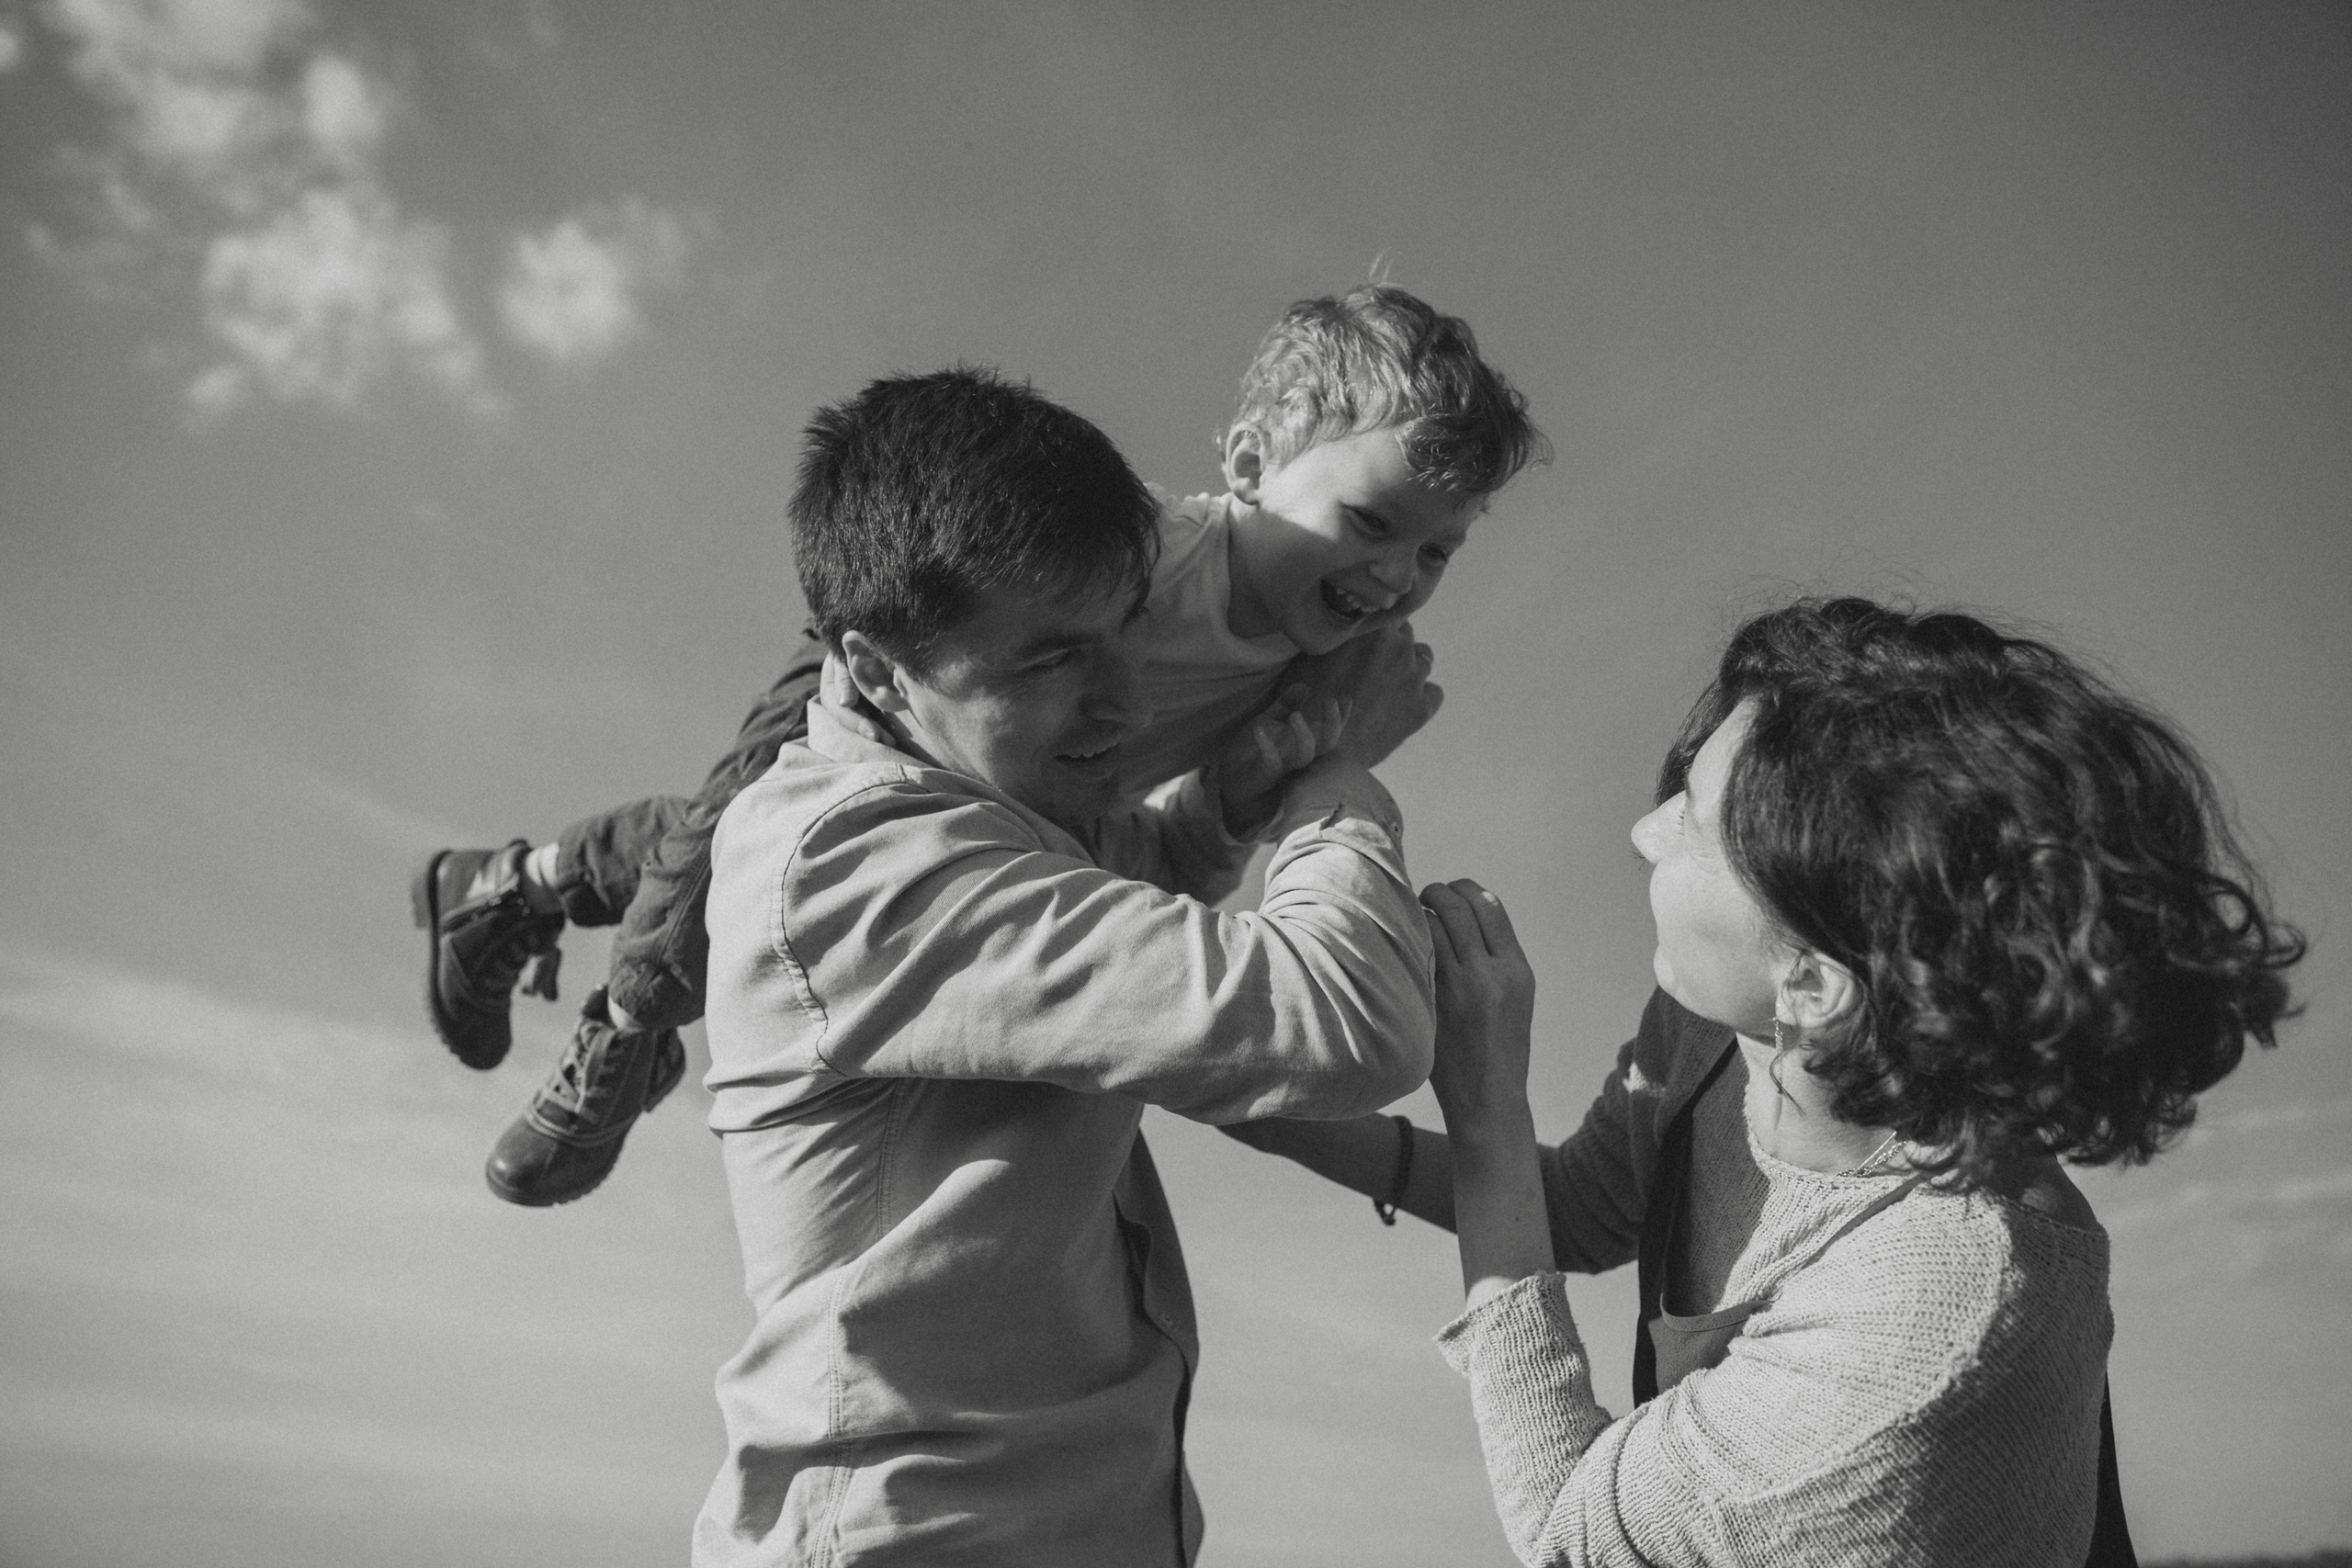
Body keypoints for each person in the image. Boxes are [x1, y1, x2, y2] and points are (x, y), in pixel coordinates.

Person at [408, 283, 1544, 1206]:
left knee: (790, 854)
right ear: (1249, 468)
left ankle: (514, 886)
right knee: (721, 856)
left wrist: (1260, 790)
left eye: (1436, 554)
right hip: (886, 688)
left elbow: (1161, 862)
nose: (1398, 577)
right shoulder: (1147, 554)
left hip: (1022, 799)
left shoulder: (1312, 671)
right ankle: (627, 1023)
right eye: (1369, 522)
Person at [1230, 597, 2303, 1566]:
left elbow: (1567, 1528)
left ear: (1813, 981)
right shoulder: (1727, 1032)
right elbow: (1568, 1211)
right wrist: (1254, 1086)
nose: (1642, 831)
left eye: (1691, 819)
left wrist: (1486, 1101)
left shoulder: (1935, 1320)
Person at [692, 367, 1442, 1565]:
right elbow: (1346, 1022)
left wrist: (1228, 803)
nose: (1125, 705)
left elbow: (1120, 886)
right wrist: (1335, 776)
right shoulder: (854, 860)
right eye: (1049, 663)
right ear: (878, 668)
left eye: (1124, 631)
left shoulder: (978, 808)